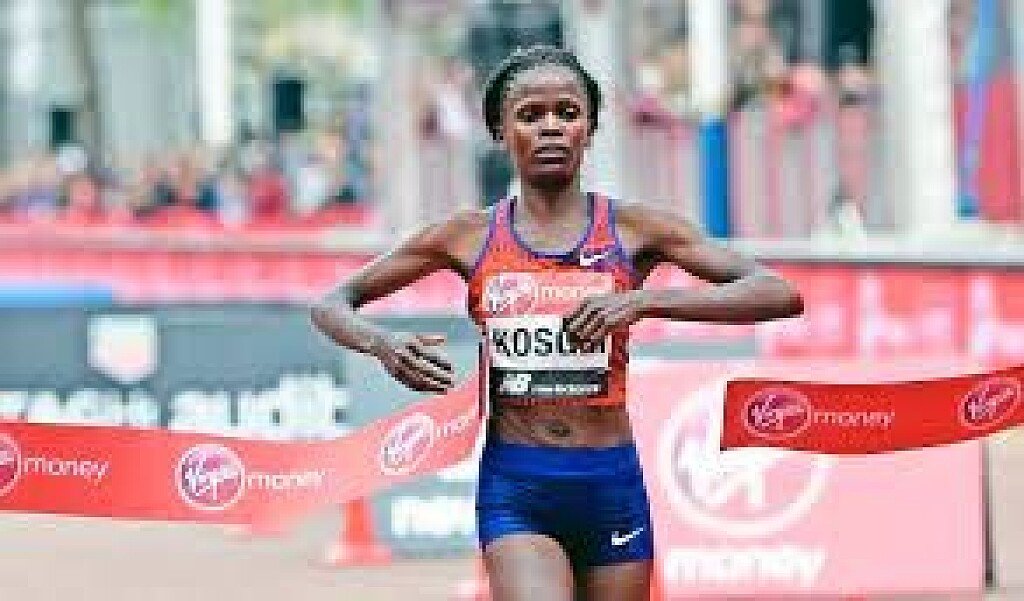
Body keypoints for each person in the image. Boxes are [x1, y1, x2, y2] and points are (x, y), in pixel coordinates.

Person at [310, 45, 803, 601]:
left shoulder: (636, 230)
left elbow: (777, 292)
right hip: (518, 484)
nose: (551, 128)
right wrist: (382, 343)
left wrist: (644, 303)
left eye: (567, 114)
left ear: (589, 131)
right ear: (501, 131)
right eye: (530, 115)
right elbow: (332, 303)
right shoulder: (468, 237)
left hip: (611, 481)